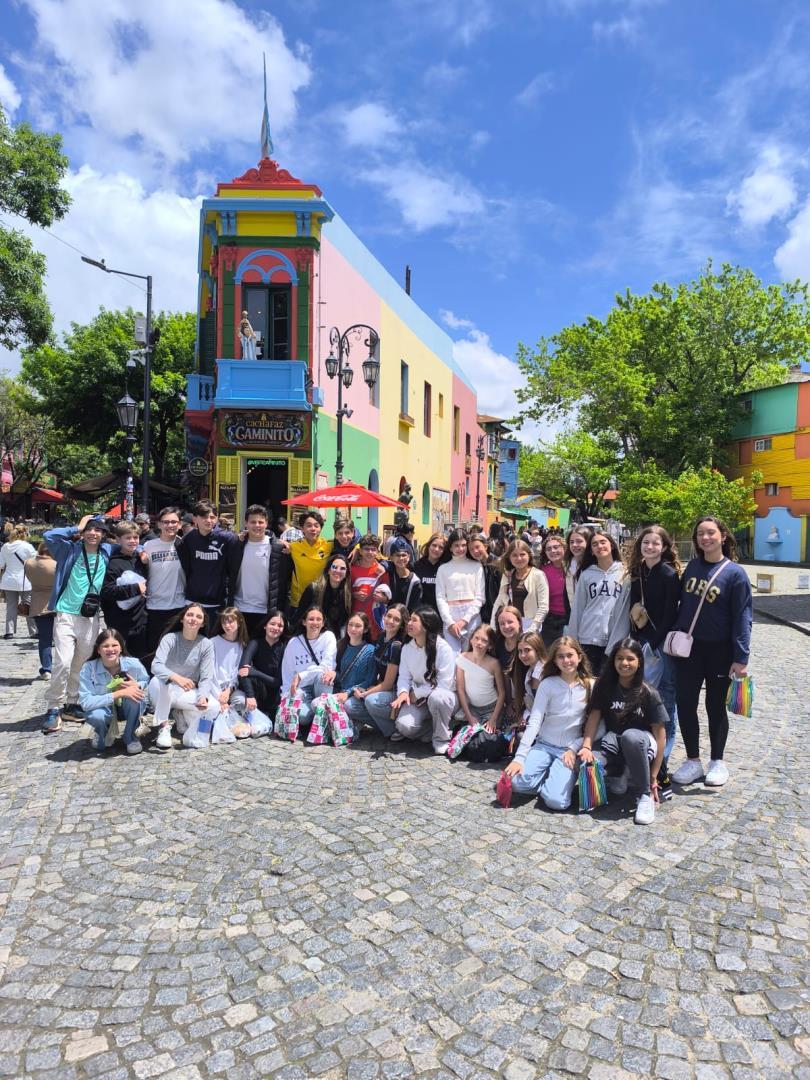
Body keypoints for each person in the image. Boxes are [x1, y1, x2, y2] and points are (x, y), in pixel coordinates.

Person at [670, 516, 753, 789]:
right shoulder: (692, 567)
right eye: (700, 534)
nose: (705, 538)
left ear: (723, 536)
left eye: (710, 533)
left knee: (715, 705)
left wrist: (741, 657)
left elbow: (743, 617)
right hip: (689, 650)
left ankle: (717, 761)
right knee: (685, 703)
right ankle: (693, 760)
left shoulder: (735, 574)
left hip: (720, 651)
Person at [607, 524, 681, 795]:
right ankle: (639, 758)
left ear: (664, 547)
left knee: (663, 704)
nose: (650, 547)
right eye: (646, 542)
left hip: (659, 649)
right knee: (639, 702)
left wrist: (654, 645)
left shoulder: (669, 574)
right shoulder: (638, 572)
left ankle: (661, 766)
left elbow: (671, 614)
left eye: (655, 543)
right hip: (640, 645)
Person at [579, 638, 667, 825]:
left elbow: (660, 736)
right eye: (619, 658)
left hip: (641, 744)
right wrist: (586, 746)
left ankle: (644, 796)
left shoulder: (649, 692)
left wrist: (653, 776)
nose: (624, 663)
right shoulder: (604, 687)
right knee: (588, 760)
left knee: (630, 737)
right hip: (613, 742)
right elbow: (594, 717)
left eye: (630, 659)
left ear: (639, 662)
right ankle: (620, 773)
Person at [504, 636, 593, 811]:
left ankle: (555, 780)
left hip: (567, 751)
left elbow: (597, 727)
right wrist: (519, 758)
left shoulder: (590, 686)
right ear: (555, 660)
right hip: (544, 745)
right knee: (514, 782)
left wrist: (574, 748)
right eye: (561, 656)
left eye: (570, 655)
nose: (566, 660)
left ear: (579, 657)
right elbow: (535, 721)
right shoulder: (547, 684)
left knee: (557, 802)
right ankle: (547, 775)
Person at [42, 515, 113, 734]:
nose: (93, 533)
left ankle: (71, 704)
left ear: (103, 534)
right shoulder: (69, 550)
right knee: (63, 661)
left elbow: (130, 544)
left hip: (90, 617)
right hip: (66, 613)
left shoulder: (106, 552)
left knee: (81, 663)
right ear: (82, 533)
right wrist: (78, 526)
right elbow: (49, 535)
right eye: (89, 530)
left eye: (97, 530)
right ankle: (53, 707)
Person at [148, 603, 216, 749]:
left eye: (198, 617)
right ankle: (164, 727)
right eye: (190, 615)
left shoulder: (206, 644)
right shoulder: (170, 638)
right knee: (158, 682)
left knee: (213, 706)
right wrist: (176, 677)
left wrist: (203, 697)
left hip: (186, 692)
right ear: (182, 619)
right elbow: (156, 665)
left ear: (203, 623)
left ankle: (182, 715)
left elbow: (206, 677)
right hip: (163, 690)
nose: (193, 619)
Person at [390, 606, 456, 754]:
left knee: (438, 698)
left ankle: (441, 739)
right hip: (419, 700)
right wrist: (403, 693)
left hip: (444, 697)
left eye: (414, 620)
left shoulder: (443, 648)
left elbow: (444, 684)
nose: (409, 623)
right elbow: (404, 676)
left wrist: (417, 693)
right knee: (404, 726)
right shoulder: (407, 648)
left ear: (426, 625)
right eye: (409, 619)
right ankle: (434, 730)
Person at [78, 629, 150, 756]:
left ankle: (131, 737)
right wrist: (119, 694)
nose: (110, 649)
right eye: (105, 646)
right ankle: (102, 733)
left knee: (135, 696)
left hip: (127, 707)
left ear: (121, 648)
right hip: (103, 708)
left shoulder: (133, 663)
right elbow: (85, 702)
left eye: (114, 645)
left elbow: (146, 679)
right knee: (97, 717)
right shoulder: (88, 668)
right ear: (98, 650)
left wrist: (137, 685)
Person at [177, 500, 242, 633]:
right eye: (204, 517)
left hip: (216, 602)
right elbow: (186, 567)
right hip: (192, 600)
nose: (209, 520)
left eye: (212, 517)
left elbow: (233, 569)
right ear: (195, 518)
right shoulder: (189, 538)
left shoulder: (227, 538)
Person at [312, 613, 377, 741]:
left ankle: (348, 726)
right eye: (350, 625)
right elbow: (341, 673)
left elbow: (369, 680)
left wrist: (348, 693)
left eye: (357, 626)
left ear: (365, 629)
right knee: (315, 704)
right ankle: (348, 724)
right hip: (340, 693)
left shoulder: (370, 650)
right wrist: (334, 673)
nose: (353, 629)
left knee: (347, 706)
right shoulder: (341, 645)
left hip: (356, 697)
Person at [275, 606, 338, 738]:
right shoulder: (294, 643)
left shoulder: (328, 637)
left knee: (323, 676)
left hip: (322, 685)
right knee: (302, 717)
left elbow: (326, 666)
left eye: (318, 619)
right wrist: (286, 696)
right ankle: (314, 716)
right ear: (304, 622)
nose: (315, 622)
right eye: (311, 619)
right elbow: (287, 672)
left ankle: (323, 722)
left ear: (323, 623)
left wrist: (302, 675)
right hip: (303, 688)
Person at [567, 531, 624, 675]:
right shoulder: (586, 575)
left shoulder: (625, 573)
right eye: (594, 544)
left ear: (612, 545)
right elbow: (578, 609)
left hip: (614, 638)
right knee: (588, 680)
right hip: (588, 637)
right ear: (591, 550)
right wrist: (572, 641)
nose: (599, 546)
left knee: (608, 681)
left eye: (603, 542)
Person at [349, 603, 408, 736]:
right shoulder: (381, 637)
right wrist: (365, 688)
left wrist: (366, 693)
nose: (390, 621)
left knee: (370, 701)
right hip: (381, 687)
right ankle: (386, 726)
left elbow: (388, 684)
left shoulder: (396, 646)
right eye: (389, 616)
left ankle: (394, 730)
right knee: (349, 705)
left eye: (396, 619)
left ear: (401, 624)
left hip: (394, 692)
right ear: (384, 616)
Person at [233, 504, 291, 639]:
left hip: (266, 611)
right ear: (246, 523)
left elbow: (284, 580)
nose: (257, 525)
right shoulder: (236, 545)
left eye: (260, 522)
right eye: (253, 522)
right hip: (239, 609)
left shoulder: (278, 548)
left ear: (266, 523)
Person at [454, 625, 506, 759]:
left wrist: (493, 719)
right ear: (471, 639)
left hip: (492, 709)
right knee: (472, 738)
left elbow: (502, 693)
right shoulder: (462, 658)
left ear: (490, 645)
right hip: (473, 709)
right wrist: (469, 716)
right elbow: (460, 689)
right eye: (476, 638)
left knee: (488, 739)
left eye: (484, 640)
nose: (479, 643)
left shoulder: (494, 663)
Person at [143, 507, 187, 655]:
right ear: (159, 524)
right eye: (166, 522)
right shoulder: (149, 546)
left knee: (176, 651)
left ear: (180, 524)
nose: (170, 525)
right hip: (154, 606)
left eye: (174, 522)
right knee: (154, 651)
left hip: (178, 606)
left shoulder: (184, 545)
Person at [101, 522, 148, 660]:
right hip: (120, 623)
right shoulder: (113, 563)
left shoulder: (141, 560)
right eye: (128, 538)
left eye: (135, 537)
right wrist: (135, 588)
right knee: (120, 662)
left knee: (140, 661)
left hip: (141, 621)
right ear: (118, 539)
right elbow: (107, 591)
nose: (133, 541)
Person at [435, 528, 485, 654]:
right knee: (451, 657)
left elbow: (480, 597)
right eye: (456, 545)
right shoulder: (443, 569)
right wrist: (450, 622)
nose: (460, 549)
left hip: (472, 615)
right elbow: (440, 597)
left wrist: (465, 620)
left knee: (471, 657)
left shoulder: (477, 566)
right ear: (450, 547)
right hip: (450, 615)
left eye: (463, 545)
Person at [490, 539, 549, 634]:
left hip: (531, 625)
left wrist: (532, 629)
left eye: (522, 554)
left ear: (529, 555)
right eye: (514, 555)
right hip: (510, 624)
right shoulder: (507, 575)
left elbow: (543, 607)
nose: (519, 558)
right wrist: (493, 626)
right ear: (509, 557)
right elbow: (499, 601)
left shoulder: (538, 575)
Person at [209, 607, 251, 737]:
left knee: (241, 702)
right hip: (213, 688)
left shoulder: (241, 645)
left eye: (231, 622)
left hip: (230, 690)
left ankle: (231, 722)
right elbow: (210, 673)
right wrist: (220, 698)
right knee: (213, 708)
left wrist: (228, 690)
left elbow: (236, 673)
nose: (227, 625)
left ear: (239, 622)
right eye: (224, 622)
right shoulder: (213, 642)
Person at [239, 610, 287, 719]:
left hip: (274, 698)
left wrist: (254, 672)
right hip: (256, 692)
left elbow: (277, 681)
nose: (276, 628)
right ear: (265, 625)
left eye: (280, 626)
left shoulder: (285, 648)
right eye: (272, 624)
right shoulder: (255, 643)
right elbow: (242, 670)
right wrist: (250, 696)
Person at [295, 553, 352, 637]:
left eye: (342, 568)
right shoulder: (313, 589)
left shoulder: (348, 594)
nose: (338, 571)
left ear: (346, 573)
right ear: (328, 570)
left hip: (335, 639)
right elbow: (299, 617)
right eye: (334, 567)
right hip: (313, 636)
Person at [25, 543, 56, 681]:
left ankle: (47, 669)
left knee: (44, 639)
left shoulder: (29, 563)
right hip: (56, 603)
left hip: (37, 604)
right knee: (63, 639)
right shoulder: (56, 565)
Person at [288, 512, 332, 609]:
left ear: (320, 528)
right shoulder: (293, 546)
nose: (313, 529)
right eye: (309, 525)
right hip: (298, 600)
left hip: (320, 599)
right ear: (302, 528)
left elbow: (352, 542)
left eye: (316, 526)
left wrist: (357, 548)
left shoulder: (328, 545)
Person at [0, 524, 36, 638]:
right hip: (25, 580)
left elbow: (1, 565)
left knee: (10, 606)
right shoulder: (27, 546)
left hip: (8, 580)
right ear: (24, 534)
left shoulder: (5, 546)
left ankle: (9, 632)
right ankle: (33, 631)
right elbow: (36, 562)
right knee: (29, 605)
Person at [349, 535, 389, 638]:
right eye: (366, 549)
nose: (370, 552)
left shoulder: (382, 571)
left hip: (375, 621)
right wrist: (354, 594)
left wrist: (383, 598)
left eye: (373, 549)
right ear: (360, 551)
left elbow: (388, 597)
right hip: (356, 620)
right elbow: (344, 593)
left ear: (377, 552)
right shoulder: (351, 570)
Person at [538, 534, 569, 648]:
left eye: (556, 547)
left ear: (564, 548)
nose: (553, 551)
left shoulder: (573, 568)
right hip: (549, 620)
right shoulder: (542, 571)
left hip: (570, 618)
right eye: (549, 549)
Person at [468, 535, 501, 626]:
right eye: (471, 549)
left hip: (497, 613)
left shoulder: (498, 564)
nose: (475, 551)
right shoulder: (474, 567)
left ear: (485, 546)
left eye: (477, 547)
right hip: (482, 614)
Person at [412, 533, 449, 616]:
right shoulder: (416, 566)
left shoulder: (445, 568)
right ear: (428, 546)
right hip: (420, 615)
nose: (436, 549)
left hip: (440, 615)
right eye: (434, 545)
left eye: (441, 547)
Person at [387, 538, 423, 611]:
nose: (401, 558)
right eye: (397, 555)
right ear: (391, 557)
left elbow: (415, 607)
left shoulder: (414, 581)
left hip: (406, 617)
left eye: (404, 555)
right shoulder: (388, 574)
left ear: (409, 557)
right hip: (388, 616)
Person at [564, 526, 592, 610]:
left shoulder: (594, 566)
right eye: (571, 542)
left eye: (579, 541)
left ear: (588, 542)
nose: (574, 545)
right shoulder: (567, 565)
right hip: (573, 613)